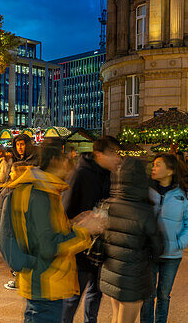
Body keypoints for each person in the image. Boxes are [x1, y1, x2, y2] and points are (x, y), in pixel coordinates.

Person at [0, 144, 100, 323]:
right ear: (55, 160)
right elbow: (50, 246)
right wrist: (86, 231)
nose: (73, 164)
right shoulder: (41, 194)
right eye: (70, 159)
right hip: (46, 283)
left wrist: (75, 224)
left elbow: (43, 232)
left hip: (42, 281)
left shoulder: (40, 189)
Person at [62, 136, 122, 323]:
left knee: (96, 293)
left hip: (101, 247)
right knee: (73, 297)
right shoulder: (81, 174)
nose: (117, 158)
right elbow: (65, 212)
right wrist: (83, 225)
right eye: (113, 153)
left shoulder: (109, 174)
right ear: (98, 154)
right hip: (81, 249)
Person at [99, 157, 163, 323]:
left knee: (115, 316)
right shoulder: (144, 211)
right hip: (133, 277)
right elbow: (158, 247)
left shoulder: (107, 204)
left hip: (111, 273)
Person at [142, 154, 188, 323]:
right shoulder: (146, 191)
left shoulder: (186, 196)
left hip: (171, 254)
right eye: (153, 165)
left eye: (158, 165)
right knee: (148, 295)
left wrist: (179, 243)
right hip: (149, 252)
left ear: (170, 171)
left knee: (163, 295)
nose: (153, 168)